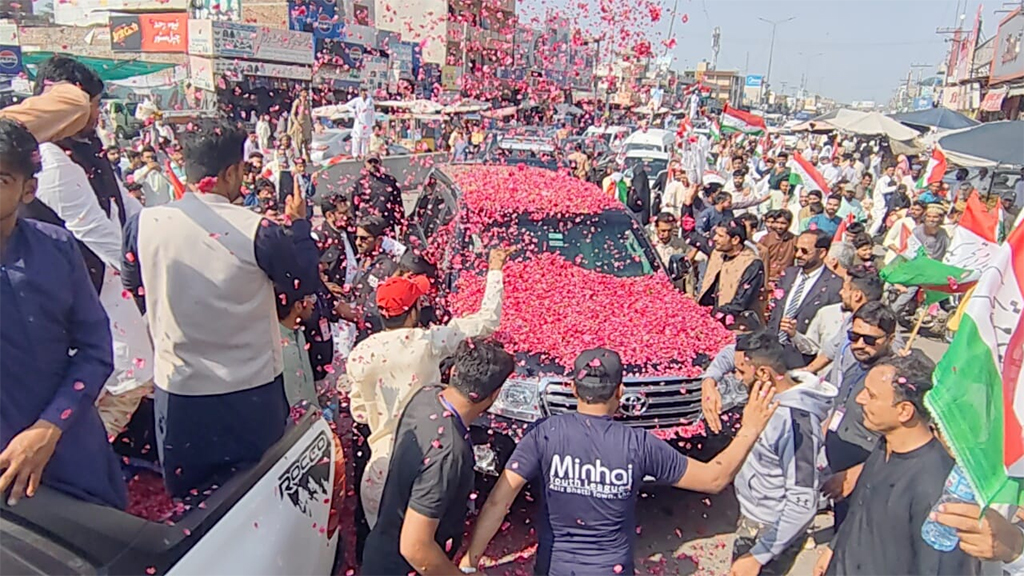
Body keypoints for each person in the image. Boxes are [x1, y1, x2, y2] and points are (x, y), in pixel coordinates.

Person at [121, 120, 319, 497]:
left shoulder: (143, 223)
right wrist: (299, 225)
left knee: (191, 506)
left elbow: (135, 288)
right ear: (231, 172)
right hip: (250, 394)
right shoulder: (258, 230)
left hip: (179, 394)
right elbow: (302, 282)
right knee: (258, 500)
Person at [460, 347, 782, 576]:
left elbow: (497, 503)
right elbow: (714, 478)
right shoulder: (639, 444)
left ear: (573, 388)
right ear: (620, 391)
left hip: (554, 567)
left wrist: (470, 562)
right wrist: (751, 428)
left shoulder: (544, 435)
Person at [5, 59, 154, 438]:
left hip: (101, 277)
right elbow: (93, 229)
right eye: (93, 105)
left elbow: (125, 208)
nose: (95, 115)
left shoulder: (85, 150)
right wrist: (139, 275)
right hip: (81, 279)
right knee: (123, 373)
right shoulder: (51, 159)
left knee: (123, 373)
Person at [0, 117, 126, 509]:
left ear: (28, 189)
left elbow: (95, 350)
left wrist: (48, 427)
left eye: (1, 178)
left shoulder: (56, 249)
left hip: (67, 452)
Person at [347, 248, 509, 527]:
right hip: (425, 462)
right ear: (413, 312)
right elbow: (487, 321)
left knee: (384, 545)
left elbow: (360, 414)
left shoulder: (360, 354)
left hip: (380, 467)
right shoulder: (427, 342)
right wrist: (495, 270)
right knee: (422, 548)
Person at [360, 338, 516, 576]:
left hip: (380, 546)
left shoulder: (427, 395)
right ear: (494, 395)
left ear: (454, 372)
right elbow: (415, 547)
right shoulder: (449, 452)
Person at [814, 352, 976, 576]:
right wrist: (833, 550)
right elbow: (859, 512)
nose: (860, 399)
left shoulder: (934, 486)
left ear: (904, 411)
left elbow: (938, 568)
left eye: (871, 395)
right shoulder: (884, 446)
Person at [730, 331, 837, 576]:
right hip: (753, 515)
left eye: (741, 372)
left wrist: (759, 555)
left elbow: (802, 502)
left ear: (763, 374)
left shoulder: (795, 423)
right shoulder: (768, 396)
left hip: (771, 528)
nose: (737, 379)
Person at [768, 229, 843, 354]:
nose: (798, 255)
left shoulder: (834, 285)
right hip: (774, 348)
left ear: (822, 253)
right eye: (796, 249)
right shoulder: (788, 274)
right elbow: (776, 312)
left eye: (804, 251)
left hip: (805, 354)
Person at [793, 265, 882, 364]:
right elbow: (830, 352)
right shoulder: (848, 321)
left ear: (857, 295)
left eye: (845, 289)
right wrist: (806, 372)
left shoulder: (880, 325)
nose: (841, 293)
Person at [697, 218, 765, 322]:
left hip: (739, 326)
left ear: (735, 240)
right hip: (712, 320)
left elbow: (742, 301)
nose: (714, 238)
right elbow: (691, 236)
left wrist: (717, 313)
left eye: (720, 236)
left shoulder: (752, 263)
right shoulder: (718, 253)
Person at [276, 290, 318, 408]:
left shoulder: (299, 333)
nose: (312, 304)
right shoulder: (274, 344)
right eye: (309, 299)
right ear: (298, 306)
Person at [350, 153, 405, 235]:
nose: (373, 164)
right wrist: (355, 228)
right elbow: (354, 208)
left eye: (375, 162)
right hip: (367, 227)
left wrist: (401, 225)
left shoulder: (390, 181)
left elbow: (398, 204)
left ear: (380, 163)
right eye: (370, 162)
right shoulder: (359, 184)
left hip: (386, 226)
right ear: (365, 164)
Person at [758, 209, 797, 285]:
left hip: (786, 280)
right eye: (777, 222)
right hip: (767, 279)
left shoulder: (794, 240)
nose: (779, 226)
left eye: (783, 223)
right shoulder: (765, 239)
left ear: (789, 224)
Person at [882, 200, 925, 265]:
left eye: (917, 210)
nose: (913, 212)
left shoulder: (926, 226)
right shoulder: (902, 222)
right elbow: (888, 239)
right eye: (912, 209)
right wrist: (897, 250)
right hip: (896, 257)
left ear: (924, 211)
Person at [346, 86, 376, 159]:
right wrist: (353, 111)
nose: (364, 93)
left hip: (367, 122)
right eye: (363, 91)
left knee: (365, 139)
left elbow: (373, 112)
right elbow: (347, 105)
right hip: (359, 122)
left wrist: (373, 122)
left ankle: (364, 154)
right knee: (356, 138)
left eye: (365, 91)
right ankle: (355, 154)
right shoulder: (357, 100)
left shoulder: (370, 101)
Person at [288, 89, 313, 159]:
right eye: (304, 92)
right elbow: (292, 114)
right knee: (299, 144)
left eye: (307, 92)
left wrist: (311, 124)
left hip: (307, 125)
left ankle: (308, 159)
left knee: (307, 144)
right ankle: (299, 159)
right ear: (301, 93)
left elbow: (309, 114)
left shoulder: (307, 102)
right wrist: (297, 124)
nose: (306, 94)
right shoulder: (297, 102)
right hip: (299, 125)